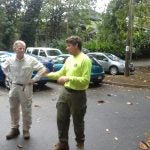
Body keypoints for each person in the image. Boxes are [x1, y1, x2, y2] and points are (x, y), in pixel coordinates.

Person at [47, 36, 92, 150]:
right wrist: (45, 74)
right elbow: (60, 73)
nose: (67, 48)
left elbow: (86, 80)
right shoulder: (69, 59)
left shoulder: (85, 59)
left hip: (78, 95)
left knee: (78, 122)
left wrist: (68, 78)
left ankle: (80, 144)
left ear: (76, 45)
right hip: (65, 92)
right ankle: (63, 143)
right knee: (61, 118)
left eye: (69, 46)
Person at [1, 40, 48, 140]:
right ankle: (14, 128)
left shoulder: (31, 60)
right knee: (13, 108)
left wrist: (34, 79)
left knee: (26, 109)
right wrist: (9, 77)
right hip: (13, 87)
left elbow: (43, 69)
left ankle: (26, 130)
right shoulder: (10, 59)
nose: (22, 50)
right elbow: (4, 67)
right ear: (15, 49)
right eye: (20, 48)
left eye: (23, 48)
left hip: (26, 88)